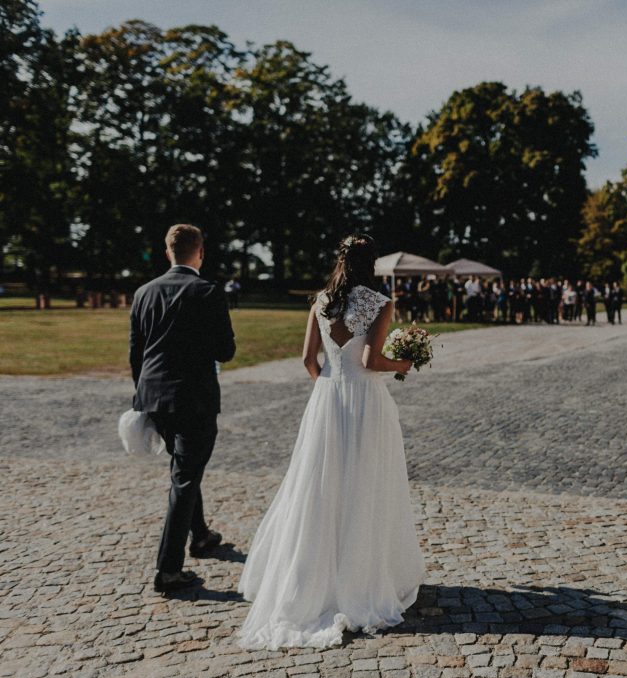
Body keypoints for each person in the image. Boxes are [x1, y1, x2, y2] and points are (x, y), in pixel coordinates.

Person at [238, 234, 424, 649]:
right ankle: (360, 579)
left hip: (326, 400)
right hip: (365, 403)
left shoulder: (320, 301)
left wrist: (328, 389)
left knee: (319, 489)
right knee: (363, 485)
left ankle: (311, 581)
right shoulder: (380, 303)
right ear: (370, 264)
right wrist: (402, 364)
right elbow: (370, 361)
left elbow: (309, 359)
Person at [130, 224, 236, 593]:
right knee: (185, 476)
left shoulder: (144, 292)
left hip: (155, 396)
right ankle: (168, 569)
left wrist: (142, 397)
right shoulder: (207, 292)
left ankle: (202, 534)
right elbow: (226, 350)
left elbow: (136, 353)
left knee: (183, 467)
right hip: (193, 398)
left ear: (167, 252)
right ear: (200, 252)